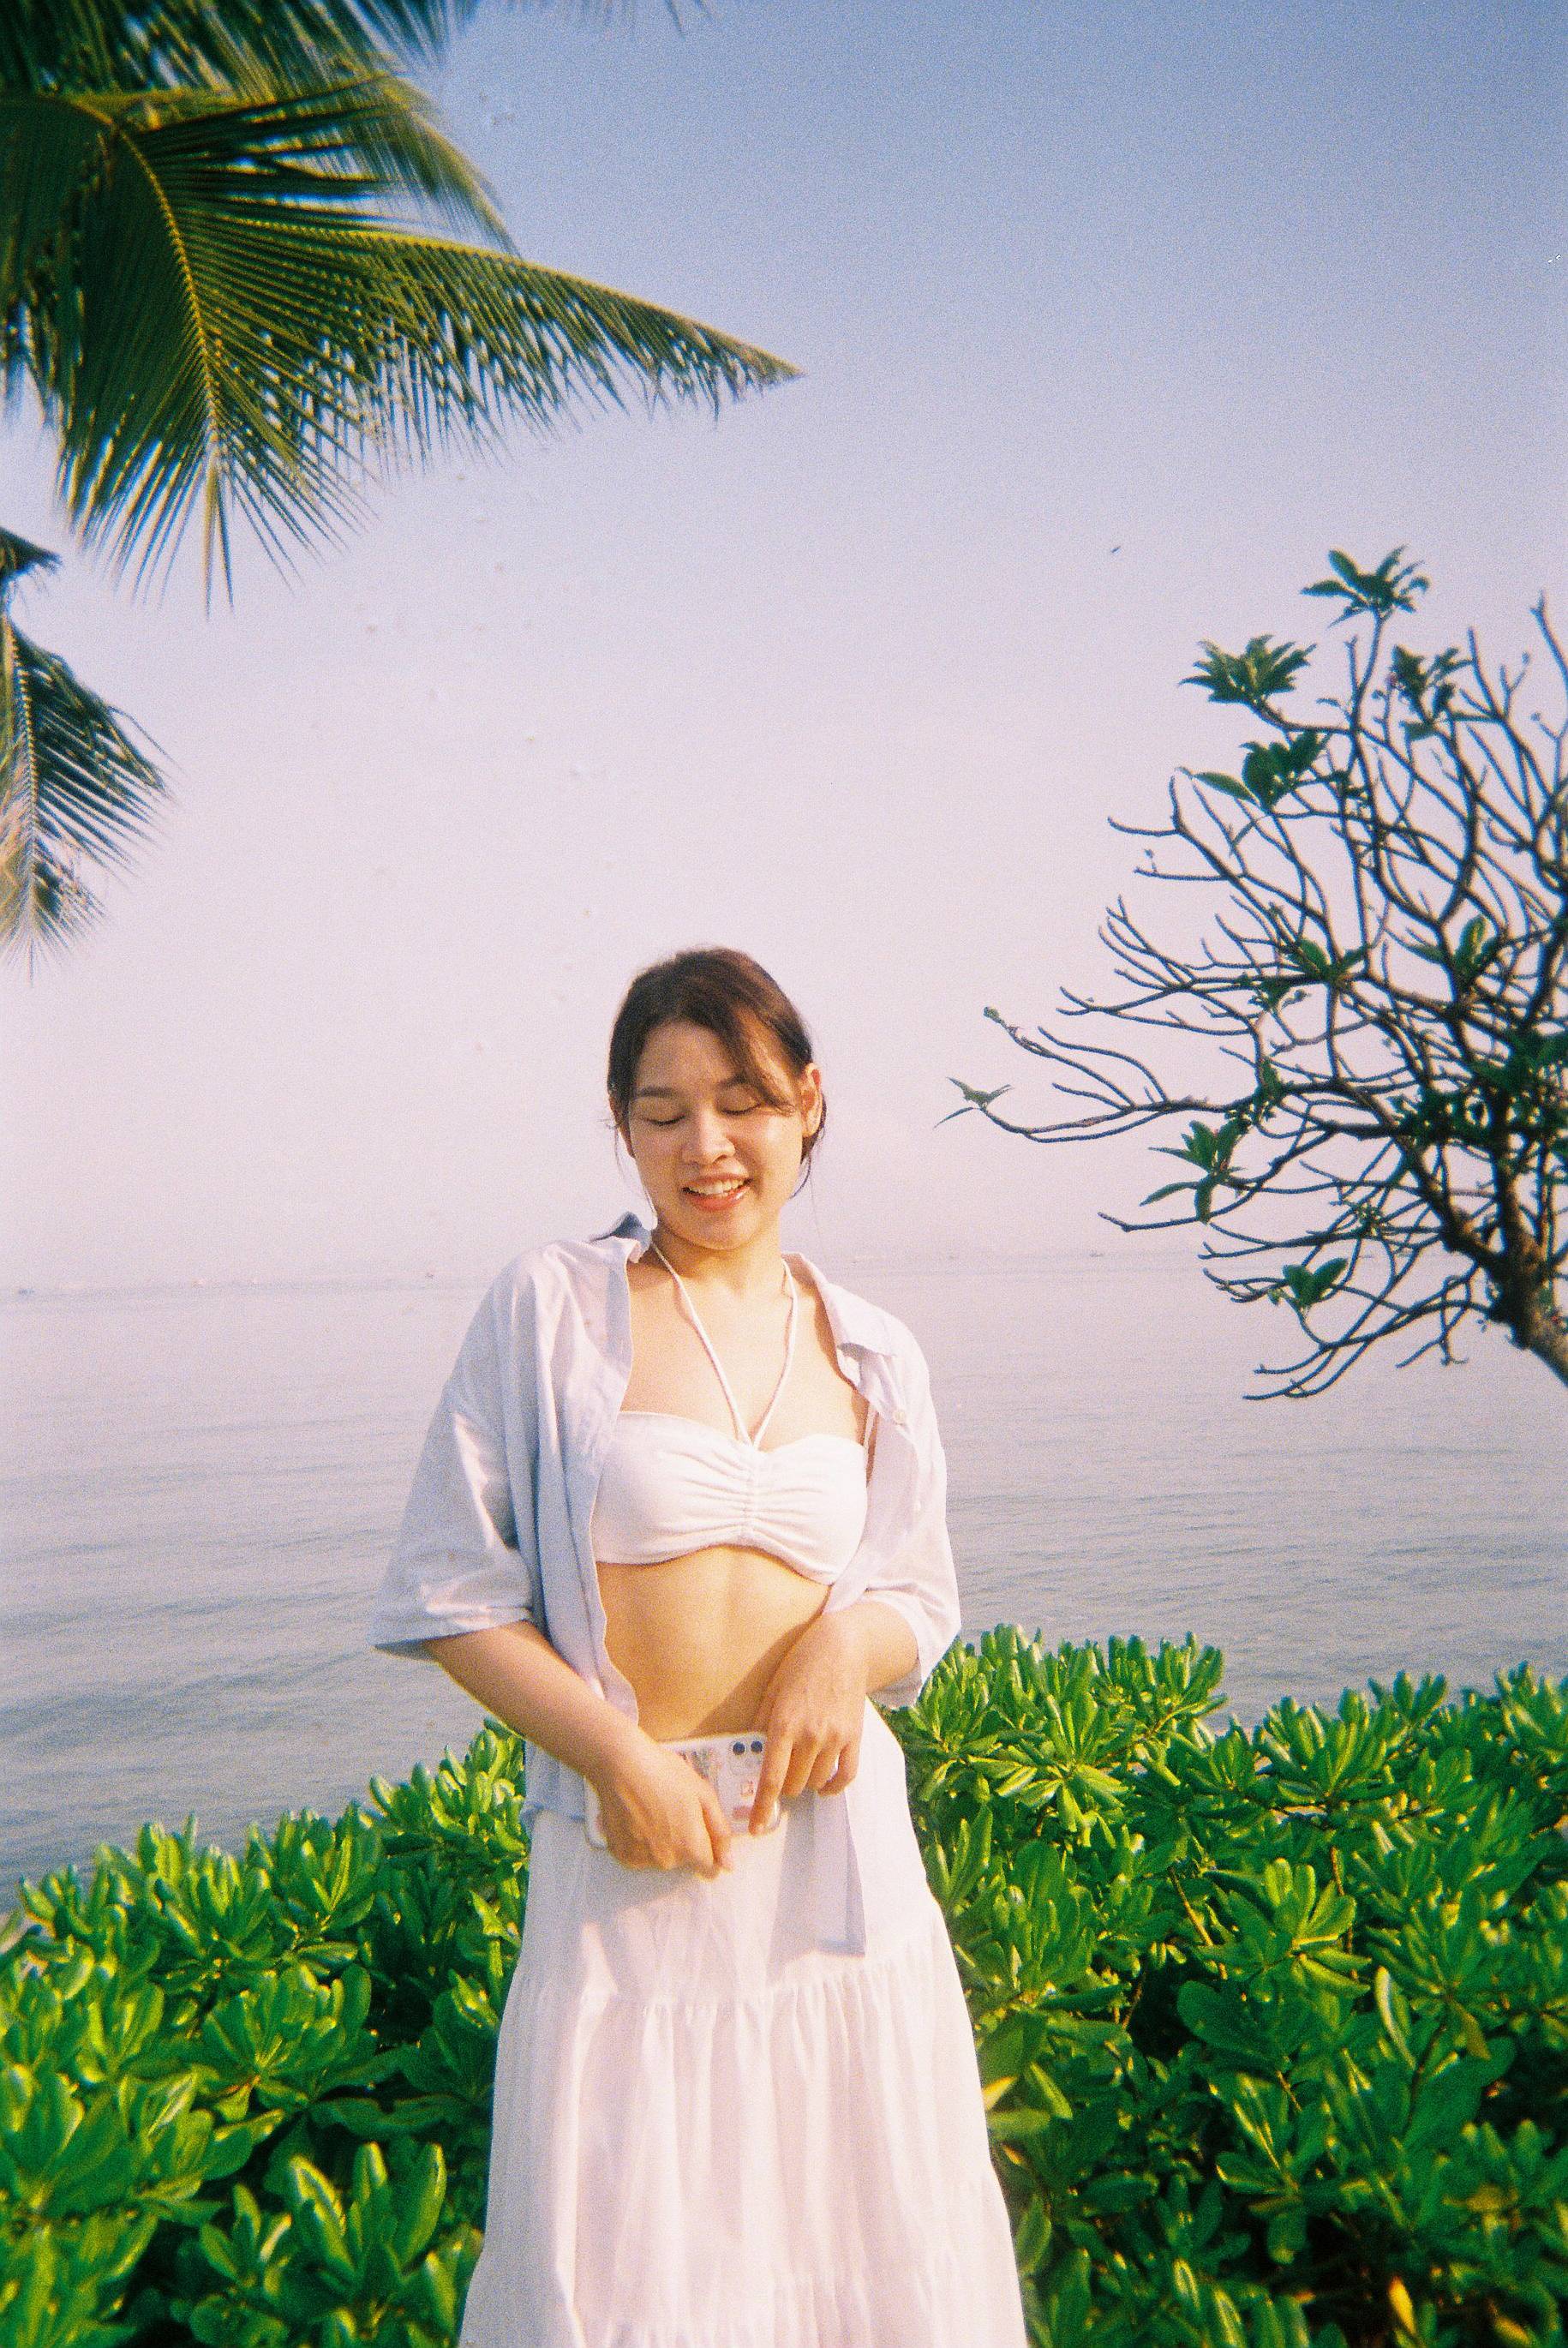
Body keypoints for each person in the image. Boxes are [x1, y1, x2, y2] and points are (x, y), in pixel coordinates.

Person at [368, 945, 1029, 2348]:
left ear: (808, 1104)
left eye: (742, 1104)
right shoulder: (552, 1308)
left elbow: (918, 1592)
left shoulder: (874, 1349)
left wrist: (839, 1652)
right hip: (633, 1867)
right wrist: (615, 1759)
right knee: (631, 2277)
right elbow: (447, 1593)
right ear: (620, 1127)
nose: (705, 1148)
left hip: (836, 1873)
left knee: (868, 2259)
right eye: (662, 1113)